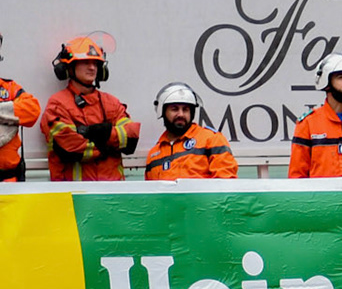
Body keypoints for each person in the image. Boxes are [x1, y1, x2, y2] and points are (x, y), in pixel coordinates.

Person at [42, 36, 137, 183]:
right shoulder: (57, 104)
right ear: (69, 68)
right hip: (73, 195)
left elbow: (130, 139)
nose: (92, 67)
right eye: (85, 62)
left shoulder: (111, 102)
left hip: (113, 194)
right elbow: (69, 148)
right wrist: (109, 144)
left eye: (96, 63)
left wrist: (95, 133)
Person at [144, 83, 236, 181]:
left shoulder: (211, 139)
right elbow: (152, 193)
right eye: (174, 109)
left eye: (186, 109)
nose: (181, 114)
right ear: (163, 112)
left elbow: (226, 186)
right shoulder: (153, 154)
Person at [0, 39, 42, 183]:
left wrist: (2, 111)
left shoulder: (8, 88)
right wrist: (10, 114)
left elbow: (32, 110)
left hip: (9, 181)